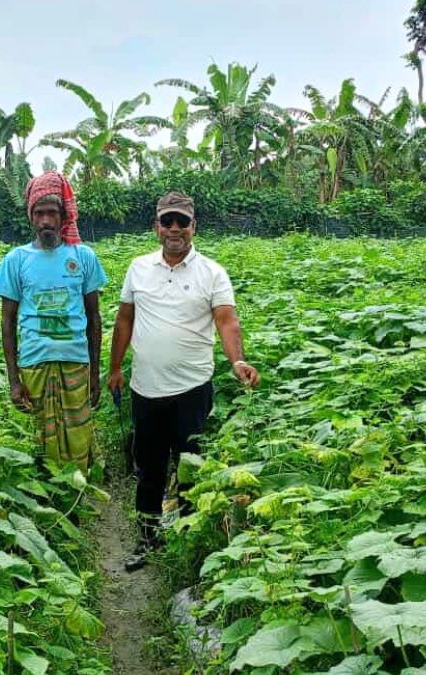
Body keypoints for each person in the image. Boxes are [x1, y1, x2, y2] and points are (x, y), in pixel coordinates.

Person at [108, 191, 260, 571]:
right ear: (156, 227)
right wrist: (114, 369)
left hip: (193, 389)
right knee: (150, 468)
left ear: (194, 227)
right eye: (167, 221)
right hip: (146, 388)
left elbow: (227, 320)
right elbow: (124, 319)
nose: (175, 228)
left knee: (191, 466)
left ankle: (190, 541)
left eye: (182, 222)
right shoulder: (138, 268)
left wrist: (237, 359)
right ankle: (147, 537)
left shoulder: (211, 272)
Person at [0, 172, 108, 473]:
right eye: (39, 213)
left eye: (51, 213)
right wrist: (14, 381)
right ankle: (45, 498)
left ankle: (79, 490)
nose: (45, 221)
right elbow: (7, 322)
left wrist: (95, 373)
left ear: (62, 216)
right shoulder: (16, 260)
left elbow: (94, 318)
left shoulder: (82, 256)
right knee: (38, 435)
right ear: (31, 217)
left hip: (75, 361)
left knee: (78, 429)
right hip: (34, 363)